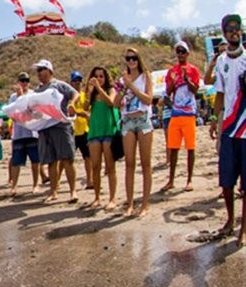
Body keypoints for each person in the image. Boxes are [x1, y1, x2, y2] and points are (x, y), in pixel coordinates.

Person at [208, 13, 246, 245]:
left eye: (238, 28)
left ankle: (244, 229)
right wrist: (214, 119)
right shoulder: (221, 62)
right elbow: (219, 94)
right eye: (230, 29)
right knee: (226, 181)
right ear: (224, 33)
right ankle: (230, 220)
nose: (234, 32)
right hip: (228, 128)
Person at [114, 47, 154, 217]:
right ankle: (129, 204)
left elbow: (149, 99)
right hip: (128, 121)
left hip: (143, 120)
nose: (131, 61)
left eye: (134, 58)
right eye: (128, 58)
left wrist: (132, 86)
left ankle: (145, 204)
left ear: (139, 59)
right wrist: (124, 87)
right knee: (129, 163)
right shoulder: (123, 80)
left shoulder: (146, 76)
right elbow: (115, 103)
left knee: (146, 164)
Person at [32, 59, 79, 203]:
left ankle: (73, 191)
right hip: (45, 129)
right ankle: (53, 191)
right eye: (37, 71)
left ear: (49, 70)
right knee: (51, 162)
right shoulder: (37, 90)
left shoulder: (59, 85)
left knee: (67, 159)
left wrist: (71, 104)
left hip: (61, 125)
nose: (39, 73)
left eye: (41, 70)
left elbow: (75, 93)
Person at [161, 41, 201, 192]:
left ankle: (189, 180)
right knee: (173, 148)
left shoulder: (193, 70)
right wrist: (173, 80)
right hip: (176, 114)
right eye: (178, 51)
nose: (180, 54)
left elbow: (196, 90)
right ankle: (171, 180)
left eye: (183, 51)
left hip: (189, 113)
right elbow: (168, 92)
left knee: (190, 148)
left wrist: (186, 79)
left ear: (188, 53)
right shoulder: (172, 71)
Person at [84, 66, 118, 210]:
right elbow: (85, 107)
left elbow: (110, 102)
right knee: (95, 166)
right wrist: (90, 92)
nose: (99, 79)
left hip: (108, 131)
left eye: (101, 76)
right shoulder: (91, 93)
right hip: (94, 132)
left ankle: (112, 198)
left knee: (110, 167)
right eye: (96, 76)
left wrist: (99, 88)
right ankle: (97, 197)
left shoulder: (111, 90)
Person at [7, 72, 40, 197]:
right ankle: (14, 186)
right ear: (18, 82)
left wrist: (22, 99)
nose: (24, 83)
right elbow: (12, 112)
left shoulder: (33, 95)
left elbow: (33, 112)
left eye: (26, 80)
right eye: (22, 80)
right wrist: (19, 98)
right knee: (16, 161)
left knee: (35, 161)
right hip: (18, 133)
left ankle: (35, 184)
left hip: (32, 132)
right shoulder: (12, 97)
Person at [69, 71, 94, 190]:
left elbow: (88, 112)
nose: (77, 83)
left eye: (79, 80)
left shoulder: (85, 96)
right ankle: (56, 183)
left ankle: (90, 180)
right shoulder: (68, 97)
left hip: (84, 129)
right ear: (70, 82)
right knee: (66, 158)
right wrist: (81, 113)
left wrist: (80, 113)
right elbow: (69, 112)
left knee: (88, 157)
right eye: (74, 80)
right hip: (71, 131)